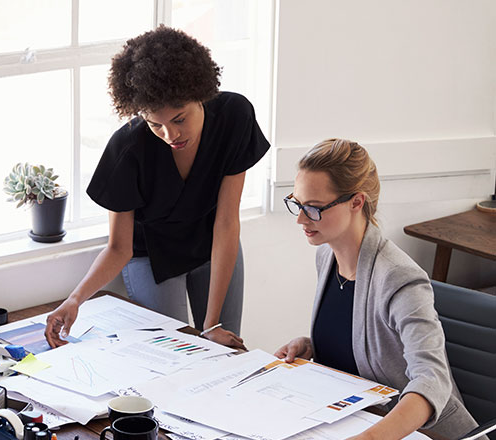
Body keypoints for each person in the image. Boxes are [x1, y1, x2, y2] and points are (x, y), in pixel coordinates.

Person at [44, 26, 270, 349]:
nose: (170, 135)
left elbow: (226, 221)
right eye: (155, 124)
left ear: (201, 95)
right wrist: (75, 300)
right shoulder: (128, 149)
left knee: (223, 348)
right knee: (174, 352)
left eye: (179, 119)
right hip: (151, 254)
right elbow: (118, 248)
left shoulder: (235, 117)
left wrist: (211, 324)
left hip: (212, 239)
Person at [274, 139, 478, 440]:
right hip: (350, 417)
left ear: (357, 202)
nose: (301, 219)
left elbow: (431, 379)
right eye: (297, 203)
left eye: (314, 208)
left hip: (418, 432)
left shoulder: (400, 278)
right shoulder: (326, 255)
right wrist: (312, 344)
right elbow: (360, 340)